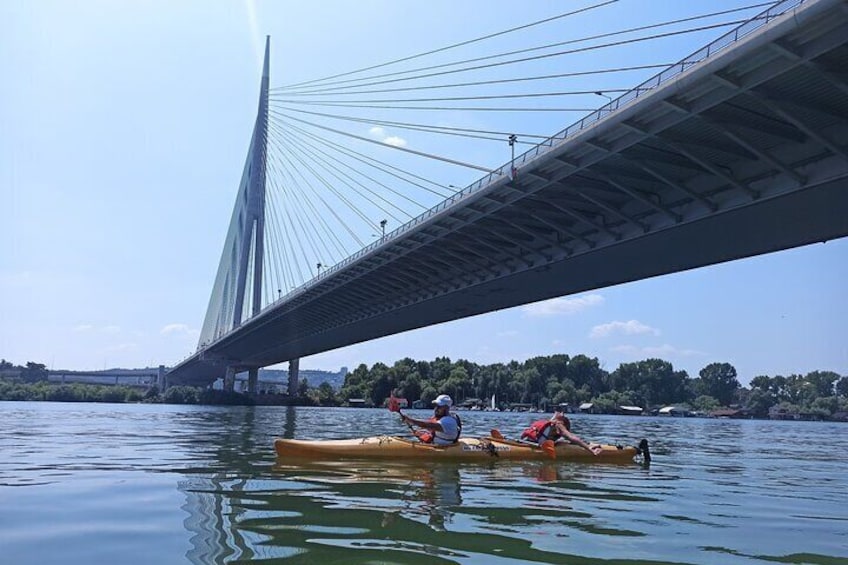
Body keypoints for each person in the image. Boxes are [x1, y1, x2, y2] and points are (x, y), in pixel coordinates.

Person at [520, 411, 601, 455]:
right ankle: (589, 445)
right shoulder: (559, 425)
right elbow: (571, 437)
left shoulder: (551, 422)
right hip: (534, 445)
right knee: (565, 441)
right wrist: (589, 449)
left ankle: (588, 443)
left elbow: (556, 415)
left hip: (528, 441)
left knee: (562, 442)